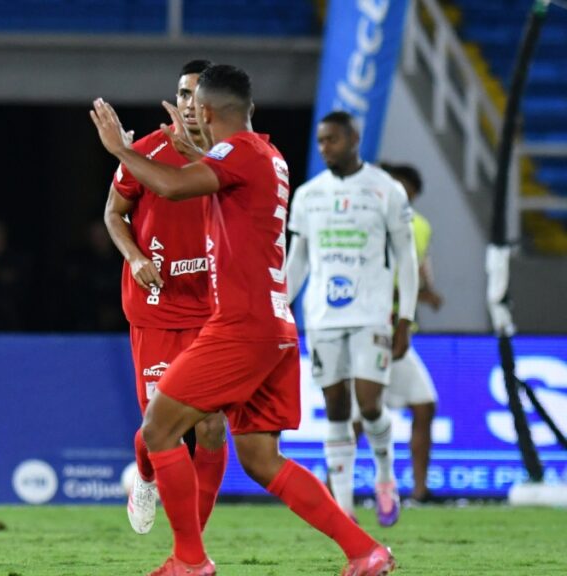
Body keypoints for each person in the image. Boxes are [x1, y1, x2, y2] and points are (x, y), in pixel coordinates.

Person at [91, 65, 395, 576]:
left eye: (197, 109)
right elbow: (219, 179)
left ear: (207, 113)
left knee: (159, 429)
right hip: (275, 326)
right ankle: (365, 550)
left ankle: (189, 559)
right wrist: (191, 152)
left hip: (240, 325)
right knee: (259, 458)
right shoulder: (268, 156)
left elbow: (170, 185)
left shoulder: (241, 154)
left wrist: (120, 149)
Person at [103, 59, 227, 536]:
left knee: (212, 426)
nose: (187, 103)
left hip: (212, 313)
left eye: (196, 95)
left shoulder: (232, 156)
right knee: (161, 427)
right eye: (181, 94)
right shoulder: (148, 150)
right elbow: (114, 214)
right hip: (155, 310)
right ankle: (147, 477)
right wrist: (135, 258)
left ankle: (193, 539)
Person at [285, 111, 419, 527]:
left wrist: (405, 319)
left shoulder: (386, 191)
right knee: (336, 407)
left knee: (370, 403)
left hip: (372, 315)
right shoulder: (308, 195)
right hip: (322, 317)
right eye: (321, 141)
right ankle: (343, 513)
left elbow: (407, 257)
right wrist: (281, 305)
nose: (325, 148)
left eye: (333, 140)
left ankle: (384, 476)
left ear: (354, 139)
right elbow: (299, 259)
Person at [377, 162, 442, 503]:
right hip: (373, 328)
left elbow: (417, 267)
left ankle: (419, 490)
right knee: (362, 414)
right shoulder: (372, 220)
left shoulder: (420, 226)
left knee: (423, 405)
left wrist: (427, 291)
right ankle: (334, 488)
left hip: (399, 331)